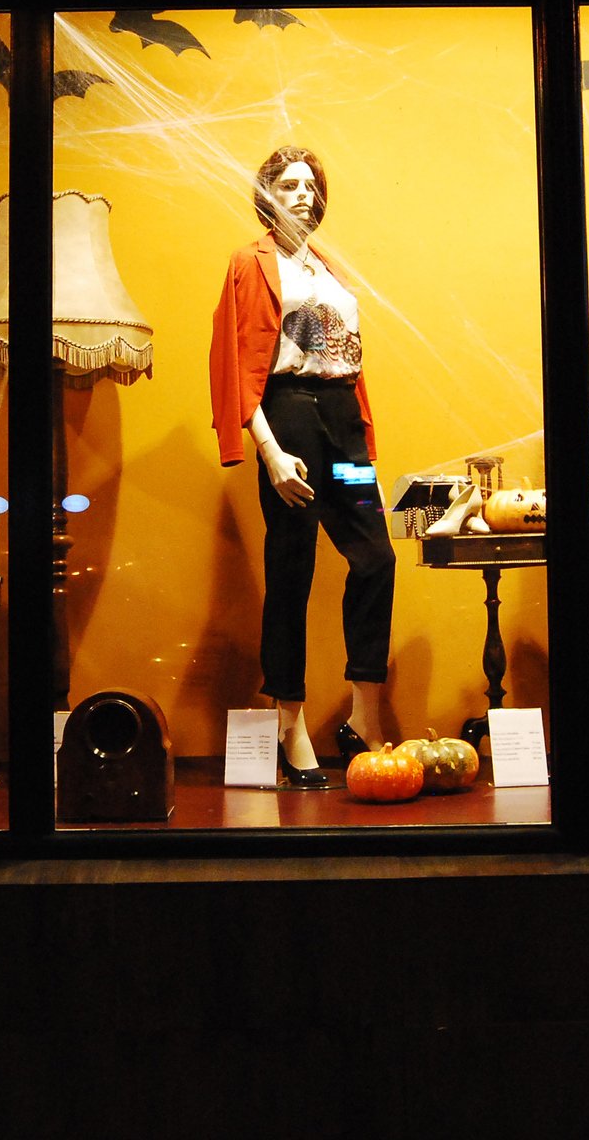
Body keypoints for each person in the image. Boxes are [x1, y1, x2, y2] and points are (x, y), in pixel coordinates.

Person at [210, 146, 394, 788]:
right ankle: (289, 720)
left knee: (376, 557)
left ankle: (364, 715)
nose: (302, 194)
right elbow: (235, 359)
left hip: (342, 425)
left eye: (311, 185)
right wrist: (267, 448)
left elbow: (349, 351)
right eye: (288, 185)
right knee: (293, 565)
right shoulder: (250, 262)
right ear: (267, 193)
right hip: (288, 418)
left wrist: (361, 441)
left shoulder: (329, 265)